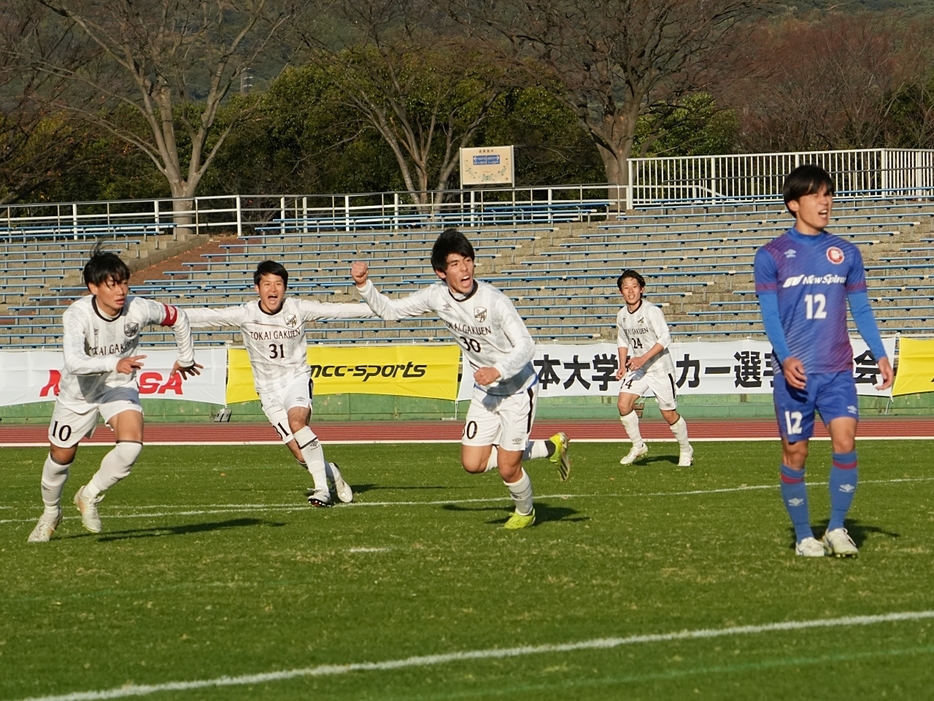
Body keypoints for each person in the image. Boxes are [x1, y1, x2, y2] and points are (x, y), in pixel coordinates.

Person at [350, 228, 570, 530]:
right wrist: (364, 286)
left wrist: (498, 369)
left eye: (467, 260)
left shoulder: (495, 301)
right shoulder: (436, 296)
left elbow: (526, 346)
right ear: (441, 272)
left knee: (508, 468)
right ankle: (549, 447)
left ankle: (527, 511)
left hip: (518, 390)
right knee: (472, 464)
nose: (464, 268)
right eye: (455, 263)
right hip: (485, 393)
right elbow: (390, 311)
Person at [754, 164, 894, 558]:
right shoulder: (771, 255)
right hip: (794, 376)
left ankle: (836, 527)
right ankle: (803, 536)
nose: (825, 201)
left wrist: (880, 354)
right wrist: (785, 359)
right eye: (816, 194)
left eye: (828, 193)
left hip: (837, 372)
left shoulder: (846, 253)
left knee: (845, 443)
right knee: (795, 454)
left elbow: (861, 309)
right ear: (793, 204)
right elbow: (770, 316)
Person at [28, 246, 201, 542]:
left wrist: (186, 358)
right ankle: (50, 512)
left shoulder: (140, 307)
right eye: (112, 284)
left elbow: (178, 318)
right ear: (93, 287)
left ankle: (89, 495)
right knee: (60, 458)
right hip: (78, 393)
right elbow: (73, 362)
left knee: (131, 447)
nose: (121, 290)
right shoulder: (77, 315)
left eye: (123, 282)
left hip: (118, 386)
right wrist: (114, 362)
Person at [184, 260, 374, 507]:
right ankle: (332, 472)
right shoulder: (246, 314)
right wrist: (160, 314)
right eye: (267, 284)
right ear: (257, 288)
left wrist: (385, 305)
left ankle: (321, 490)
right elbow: (205, 316)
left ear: (285, 288)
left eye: (278, 283)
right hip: (268, 392)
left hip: (296, 379)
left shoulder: (298, 309)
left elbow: (340, 310)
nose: (273, 289)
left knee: (297, 422)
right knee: (301, 454)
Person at [614, 269, 693, 467]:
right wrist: (622, 366)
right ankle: (638, 445)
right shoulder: (622, 315)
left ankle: (685, 448)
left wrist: (643, 358)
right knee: (623, 404)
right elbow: (622, 340)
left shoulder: (651, 311)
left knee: (668, 414)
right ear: (621, 292)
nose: (630, 291)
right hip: (639, 368)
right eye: (626, 287)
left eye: (634, 286)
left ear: (642, 289)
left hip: (659, 367)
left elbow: (665, 337)